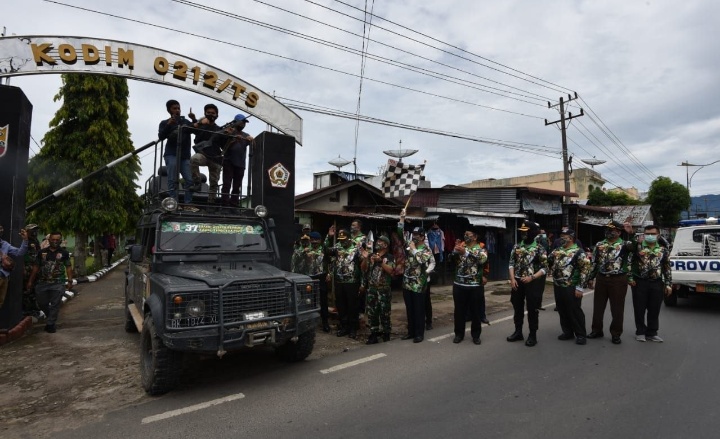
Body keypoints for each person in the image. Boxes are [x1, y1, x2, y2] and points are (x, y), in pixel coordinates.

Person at [586, 220, 633, 344]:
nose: (608, 232)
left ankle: (616, 333)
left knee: (617, 308)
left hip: (618, 279)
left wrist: (630, 234)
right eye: (607, 229)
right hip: (601, 278)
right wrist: (590, 278)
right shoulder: (600, 244)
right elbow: (595, 262)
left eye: (611, 230)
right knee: (598, 307)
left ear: (618, 232)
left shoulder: (625, 244)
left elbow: (636, 247)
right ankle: (596, 330)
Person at [628, 224, 672, 342]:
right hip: (639, 282)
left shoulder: (663, 250)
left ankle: (652, 333)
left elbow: (667, 267)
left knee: (654, 309)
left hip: (657, 283)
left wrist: (668, 283)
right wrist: (630, 278)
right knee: (639, 308)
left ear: (658, 236)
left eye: (653, 234)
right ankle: (640, 332)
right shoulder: (638, 247)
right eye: (647, 234)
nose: (650, 236)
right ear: (644, 235)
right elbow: (629, 262)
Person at [547, 228, 592, 345]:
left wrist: (580, 287)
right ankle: (567, 332)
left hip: (571, 285)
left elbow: (585, 269)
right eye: (561, 236)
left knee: (574, 310)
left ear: (571, 238)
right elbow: (548, 261)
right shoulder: (557, 250)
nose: (561, 238)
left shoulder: (578, 252)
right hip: (558, 284)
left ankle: (580, 334)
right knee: (562, 309)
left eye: (564, 236)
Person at [507, 220, 548, 347]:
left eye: (526, 232)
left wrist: (532, 277)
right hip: (517, 282)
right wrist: (513, 279)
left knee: (532, 309)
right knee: (517, 307)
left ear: (532, 233)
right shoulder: (517, 247)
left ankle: (532, 335)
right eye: (522, 232)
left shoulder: (539, 248)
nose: (523, 234)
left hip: (532, 282)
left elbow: (545, 268)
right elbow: (511, 263)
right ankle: (518, 332)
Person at [398, 213, 434, 343]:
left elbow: (420, 260)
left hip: (419, 283)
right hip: (407, 282)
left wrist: (413, 250)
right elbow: (400, 234)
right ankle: (411, 332)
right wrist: (402, 219)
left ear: (423, 236)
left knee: (419, 309)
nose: (414, 236)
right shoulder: (409, 244)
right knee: (410, 309)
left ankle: (419, 333)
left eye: (417, 235)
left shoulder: (426, 249)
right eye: (413, 234)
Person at [27, 232, 72, 333]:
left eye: (57, 240)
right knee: (41, 303)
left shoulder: (64, 253)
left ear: (60, 241)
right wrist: (30, 281)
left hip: (58, 283)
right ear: (49, 240)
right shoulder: (41, 252)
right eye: (53, 239)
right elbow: (36, 267)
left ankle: (50, 324)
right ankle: (50, 316)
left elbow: (68, 267)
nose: (55, 242)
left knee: (55, 304)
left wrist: (70, 281)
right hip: (42, 282)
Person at [450, 228, 488, 345]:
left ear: (475, 237)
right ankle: (459, 334)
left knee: (475, 311)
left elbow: (482, 260)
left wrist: (465, 253)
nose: (466, 236)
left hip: (475, 285)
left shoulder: (481, 248)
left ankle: (476, 335)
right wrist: (454, 251)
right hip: (459, 284)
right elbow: (451, 260)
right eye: (465, 234)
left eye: (468, 234)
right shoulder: (461, 246)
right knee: (459, 311)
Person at [158, 99, 196, 203]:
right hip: (171, 154)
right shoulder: (164, 122)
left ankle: (188, 203)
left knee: (189, 180)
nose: (177, 110)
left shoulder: (185, 122)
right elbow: (161, 137)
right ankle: (173, 202)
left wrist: (193, 119)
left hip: (184, 156)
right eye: (174, 108)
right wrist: (168, 125)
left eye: (178, 108)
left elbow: (196, 130)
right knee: (172, 179)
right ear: (169, 110)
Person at [327, 228, 362, 339]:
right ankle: (344, 327)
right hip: (339, 281)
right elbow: (325, 250)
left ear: (349, 238)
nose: (342, 241)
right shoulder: (337, 247)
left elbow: (363, 265)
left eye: (344, 239)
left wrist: (363, 283)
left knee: (352, 306)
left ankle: (353, 328)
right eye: (340, 239)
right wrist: (329, 237)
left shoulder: (356, 248)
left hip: (352, 282)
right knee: (341, 306)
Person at [360, 235, 395, 344]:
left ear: (385, 245)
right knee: (372, 313)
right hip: (372, 289)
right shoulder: (371, 255)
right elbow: (364, 269)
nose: (377, 242)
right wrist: (366, 258)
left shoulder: (389, 257)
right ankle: (373, 334)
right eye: (378, 240)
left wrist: (380, 262)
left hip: (383, 290)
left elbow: (391, 271)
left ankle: (386, 333)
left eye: (380, 241)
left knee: (385, 312)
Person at [189, 103, 222, 203]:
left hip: (215, 158)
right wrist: (196, 121)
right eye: (208, 113)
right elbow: (190, 128)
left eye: (213, 113)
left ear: (217, 115)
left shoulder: (219, 129)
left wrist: (228, 134)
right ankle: (197, 183)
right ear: (205, 114)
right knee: (194, 159)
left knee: (214, 183)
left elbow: (224, 143)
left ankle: (211, 203)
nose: (211, 114)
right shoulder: (201, 126)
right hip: (203, 154)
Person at [221, 114, 254, 207]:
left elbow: (252, 140)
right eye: (242, 122)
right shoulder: (228, 130)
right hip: (228, 161)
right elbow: (222, 141)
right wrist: (231, 136)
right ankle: (224, 204)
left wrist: (251, 139)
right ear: (235, 121)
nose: (243, 124)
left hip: (240, 164)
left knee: (237, 186)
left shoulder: (246, 135)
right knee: (227, 184)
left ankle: (234, 204)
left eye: (244, 122)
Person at [0, 225, 29, 310]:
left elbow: (19, 253)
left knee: (0, 302)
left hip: (3, 277)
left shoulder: (4, 244)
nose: (0, 230)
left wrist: (25, 240)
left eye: (1, 229)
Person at [307, 231, 330, 333]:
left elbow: (331, 261)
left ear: (320, 240)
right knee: (309, 300)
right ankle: (310, 324)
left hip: (321, 278)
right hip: (309, 278)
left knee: (323, 301)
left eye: (317, 240)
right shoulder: (306, 249)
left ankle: (325, 323)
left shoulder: (324, 249)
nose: (314, 242)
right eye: (312, 239)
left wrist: (330, 273)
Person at [21, 224, 41, 317]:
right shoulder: (23, 240)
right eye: (33, 230)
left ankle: (34, 308)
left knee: (34, 289)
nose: (35, 232)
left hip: (35, 269)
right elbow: (21, 255)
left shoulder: (35, 241)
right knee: (27, 289)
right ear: (27, 231)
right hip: (27, 269)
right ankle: (26, 310)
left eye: (36, 230)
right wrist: (23, 267)